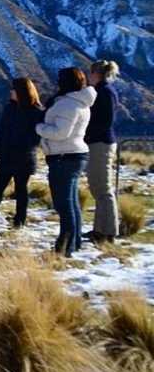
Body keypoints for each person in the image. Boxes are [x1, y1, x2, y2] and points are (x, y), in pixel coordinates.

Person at [36, 67, 97, 257]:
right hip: (73, 155)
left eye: (60, 79)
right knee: (71, 203)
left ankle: (65, 247)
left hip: (63, 156)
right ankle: (74, 242)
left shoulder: (68, 105)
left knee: (64, 204)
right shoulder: (80, 103)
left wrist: (39, 127)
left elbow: (61, 133)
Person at [0, 78, 45, 227]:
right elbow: (1, 131)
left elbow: (37, 137)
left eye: (13, 89)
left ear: (21, 92)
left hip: (24, 158)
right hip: (6, 156)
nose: (10, 92)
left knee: (21, 190)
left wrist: (23, 146)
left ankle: (20, 221)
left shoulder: (36, 112)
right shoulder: (10, 108)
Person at [84, 60, 120, 243]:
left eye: (90, 73)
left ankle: (108, 231)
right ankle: (100, 229)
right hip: (98, 142)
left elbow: (104, 121)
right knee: (98, 186)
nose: (89, 77)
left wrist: (87, 134)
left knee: (103, 188)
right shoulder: (103, 91)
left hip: (101, 144)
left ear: (96, 73)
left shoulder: (105, 92)